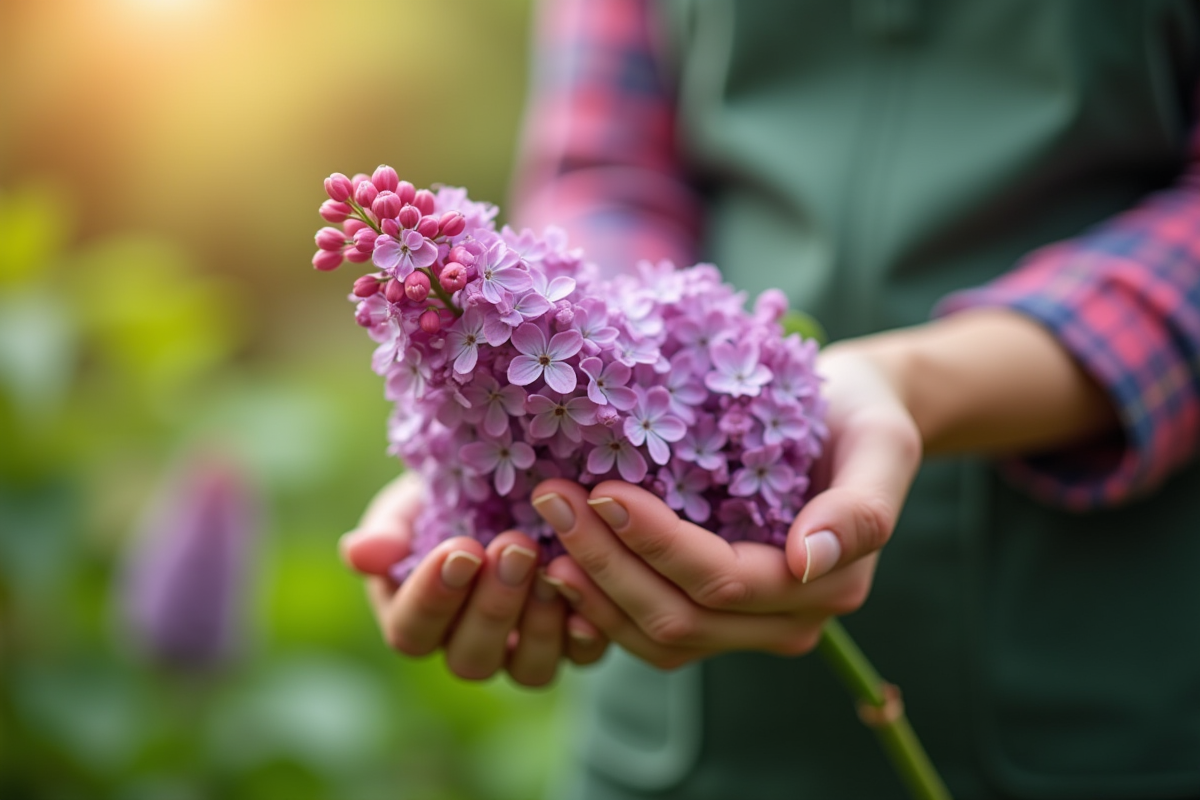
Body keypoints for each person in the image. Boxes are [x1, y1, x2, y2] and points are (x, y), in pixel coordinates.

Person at [340, 1, 1200, 797]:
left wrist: (918, 384)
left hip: (1090, 703)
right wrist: (530, 378)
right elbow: (606, 169)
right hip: (678, 733)